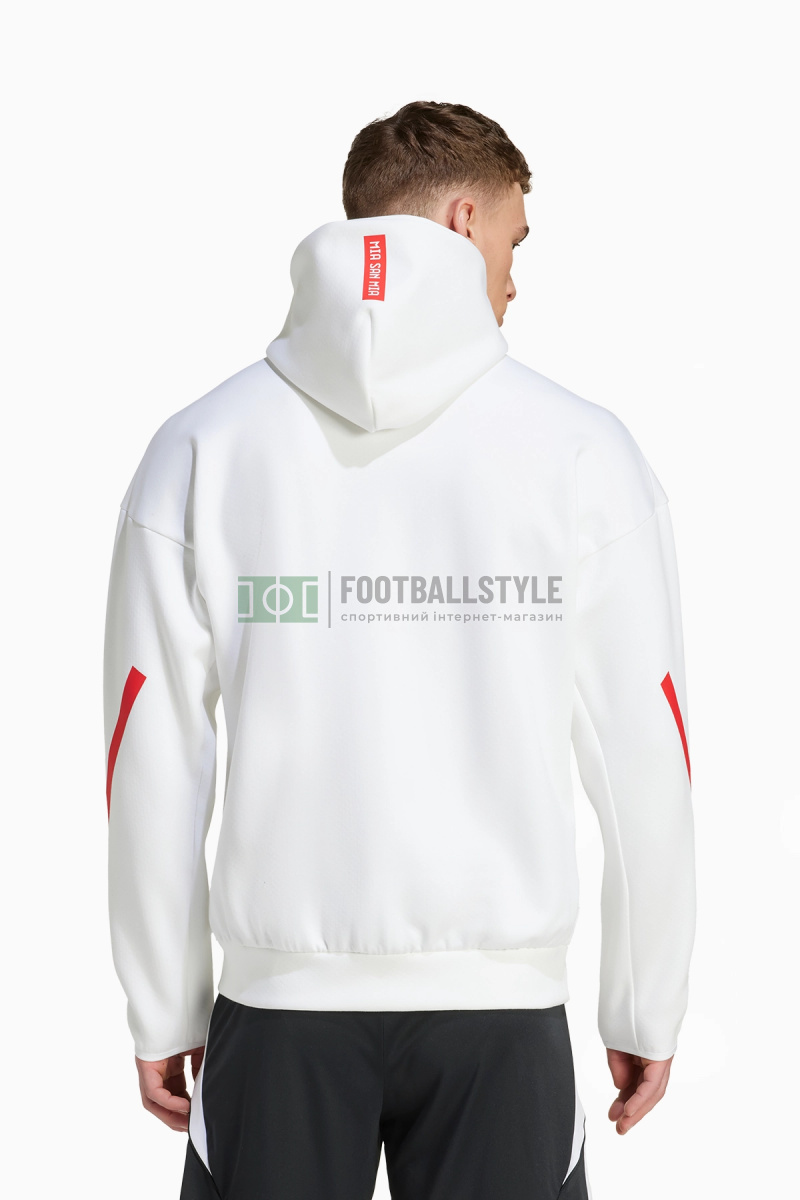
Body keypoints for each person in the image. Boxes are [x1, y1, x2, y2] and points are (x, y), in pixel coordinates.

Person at [103, 100, 696, 1200]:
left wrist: (162, 1002)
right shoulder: (582, 453)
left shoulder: (200, 446)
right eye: (514, 243)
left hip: (276, 1013)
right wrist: (643, 1001)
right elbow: (644, 752)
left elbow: (151, 752)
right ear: (465, 221)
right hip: (502, 1017)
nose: (513, 281)